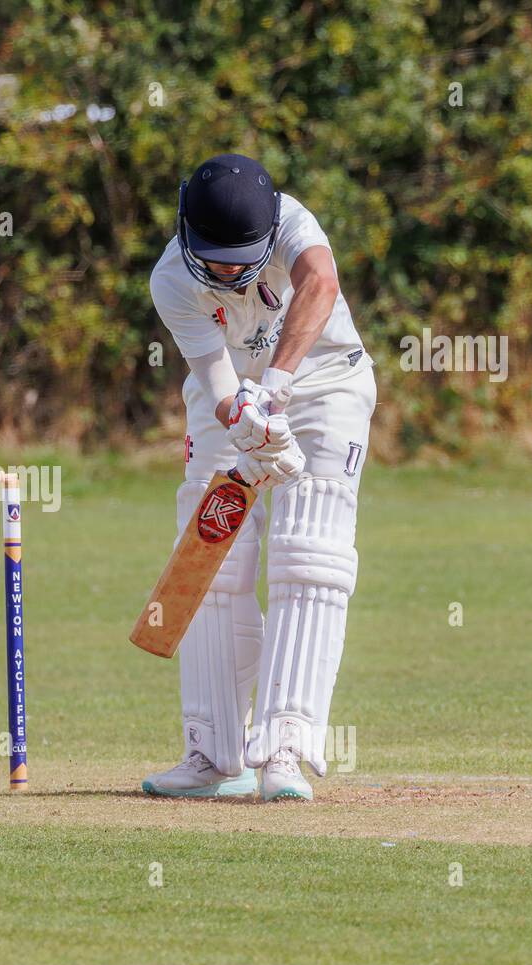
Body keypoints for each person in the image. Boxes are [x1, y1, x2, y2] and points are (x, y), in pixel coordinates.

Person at [142, 154, 375, 802]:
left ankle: (284, 750)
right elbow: (216, 385)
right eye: (213, 257)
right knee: (210, 559)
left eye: (237, 258)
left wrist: (274, 389)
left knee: (310, 555)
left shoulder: (296, 225)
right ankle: (213, 753)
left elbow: (320, 284)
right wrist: (247, 418)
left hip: (325, 382)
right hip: (234, 401)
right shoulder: (171, 278)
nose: (225, 271)